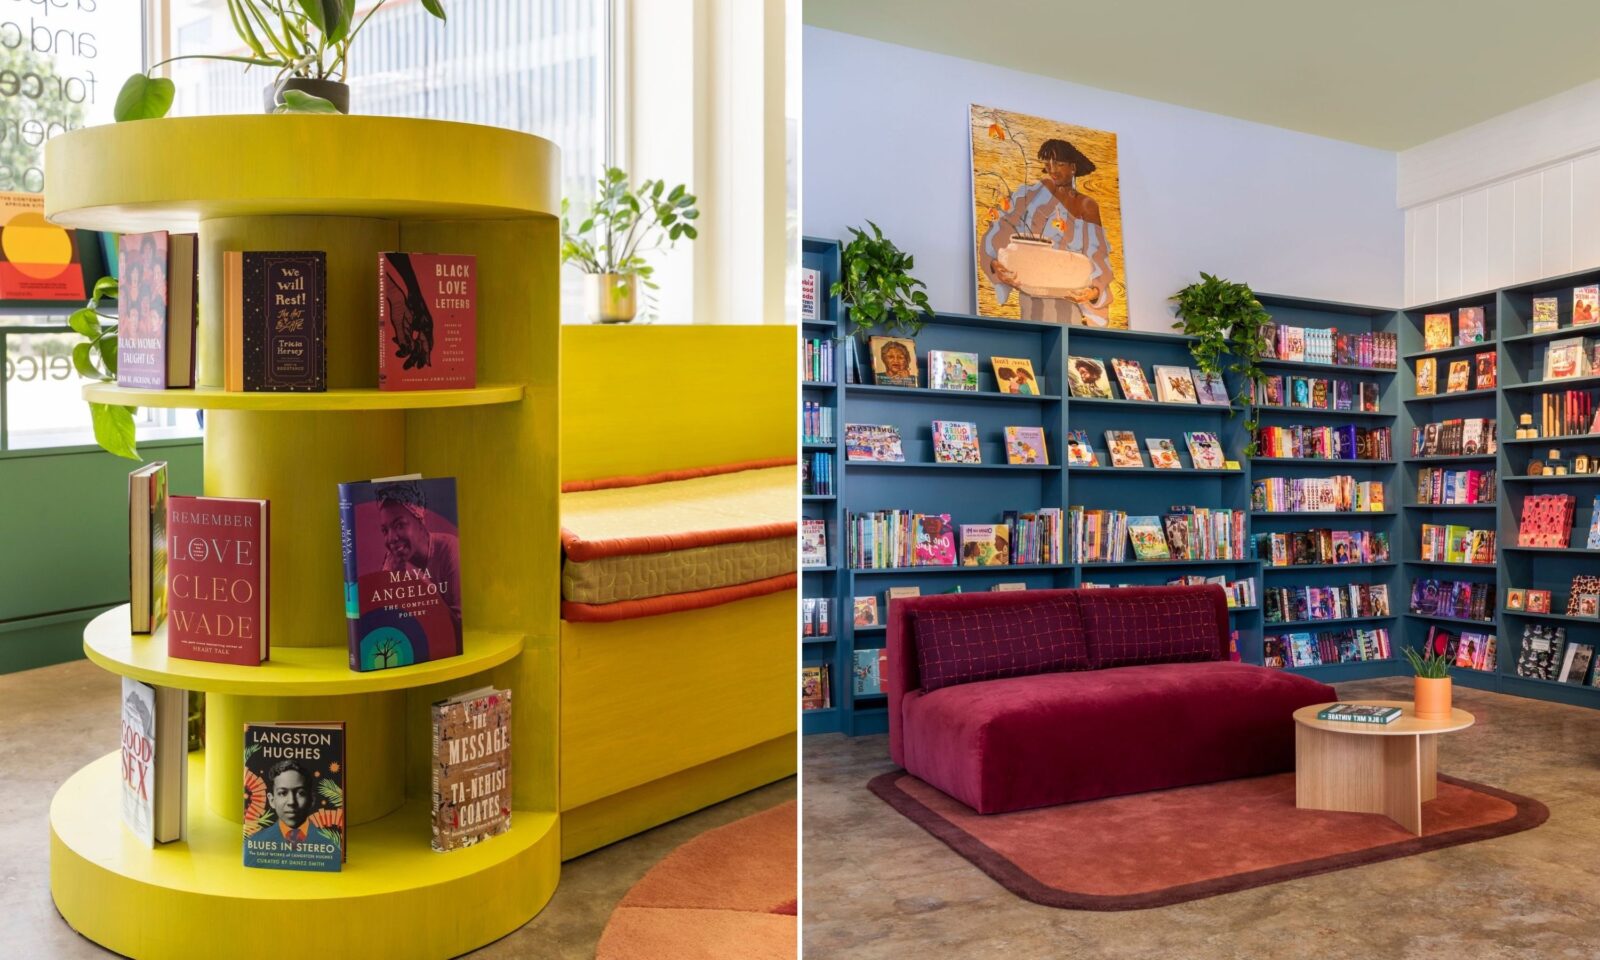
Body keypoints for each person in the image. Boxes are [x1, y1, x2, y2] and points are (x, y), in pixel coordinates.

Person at [981, 138, 1114, 326]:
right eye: (1048, 163)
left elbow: (1098, 254)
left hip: (1069, 298)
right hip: (1030, 290)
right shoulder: (1033, 195)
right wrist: (996, 264)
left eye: (1059, 164)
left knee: (1068, 341)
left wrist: (1093, 292)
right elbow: (1001, 228)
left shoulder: (1087, 206)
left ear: (1073, 167)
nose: (1052, 169)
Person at [376, 480, 463, 639]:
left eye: (400, 525)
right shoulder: (391, 564)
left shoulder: (450, 550)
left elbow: (458, 632)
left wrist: (420, 584)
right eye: (385, 530)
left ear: (420, 518)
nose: (391, 538)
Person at [266, 759, 316, 845]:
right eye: (282, 793)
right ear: (272, 800)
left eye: (300, 793)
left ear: (311, 799)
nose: (292, 802)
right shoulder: (256, 842)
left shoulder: (331, 844)